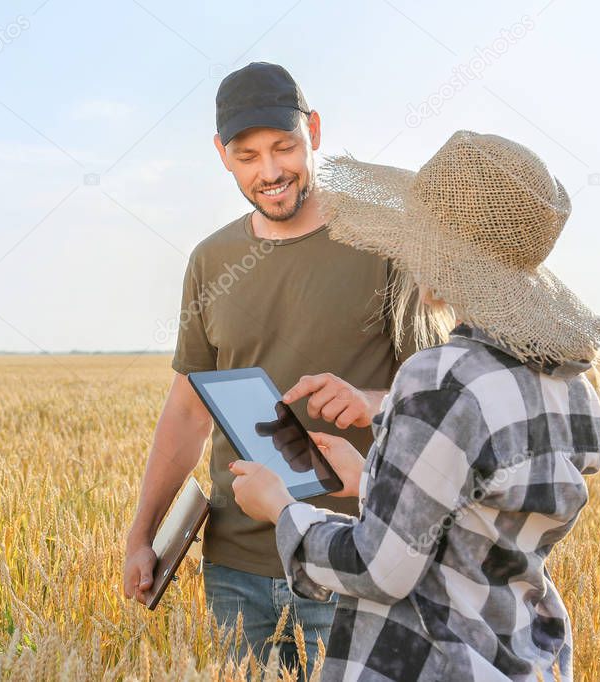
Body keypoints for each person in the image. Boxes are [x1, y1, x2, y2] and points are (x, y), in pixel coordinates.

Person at [229, 130, 600, 681]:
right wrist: (372, 480)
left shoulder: (441, 378)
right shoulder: (576, 392)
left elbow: (378, 568)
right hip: (525, 660)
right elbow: (477, 525)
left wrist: (283, 510)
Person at [121, 62, 419, 673]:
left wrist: (369, 398)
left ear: (313, 130)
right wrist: (141, 532)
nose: (270, 172)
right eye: (248, 155)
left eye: (284, 148)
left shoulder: (385, 244)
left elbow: (436, 395)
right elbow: (187, 409)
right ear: (221, 156)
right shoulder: (211, 260)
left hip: (350, 556)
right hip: (233, 566)